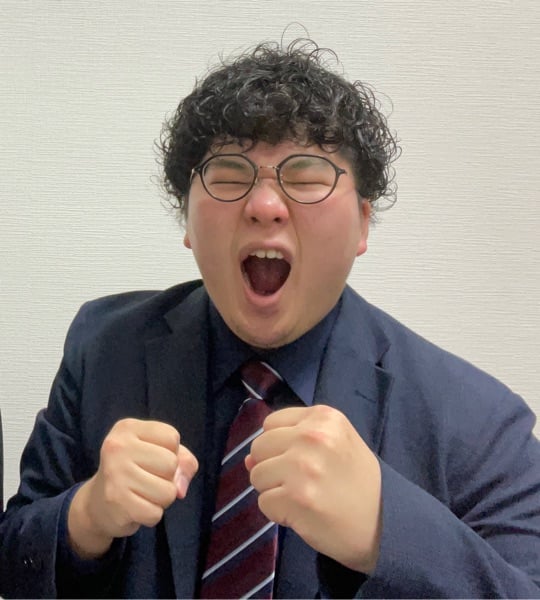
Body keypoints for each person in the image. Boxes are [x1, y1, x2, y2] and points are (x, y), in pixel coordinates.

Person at [0, 38, 539, 599]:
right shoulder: (104, 347)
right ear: (187, 220)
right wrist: (86, 518)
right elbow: (14, 557)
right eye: (229, 175)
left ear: (362, 224)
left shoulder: (478, 423)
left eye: (306, 177)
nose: (264, 206)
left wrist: (388, 529)